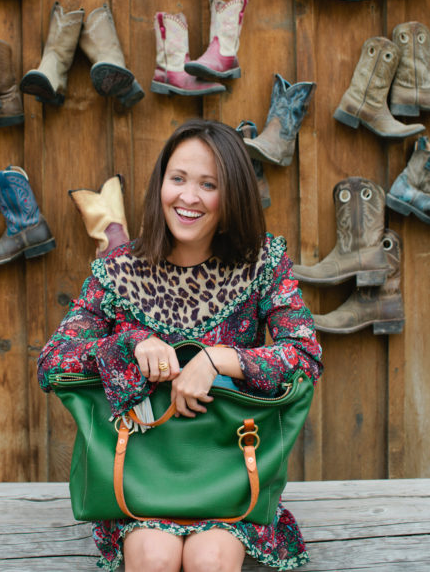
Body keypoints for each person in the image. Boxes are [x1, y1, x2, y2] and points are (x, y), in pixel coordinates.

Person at [38, 119, 323, 572]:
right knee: (154, 554)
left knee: (211, 557)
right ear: (160, 185)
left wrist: (218, 359)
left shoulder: (262, 263)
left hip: (230, 468)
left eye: (208, 184)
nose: (188, 197)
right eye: (178, 179)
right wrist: (128, 344)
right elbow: (53, 362)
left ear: (231, 196)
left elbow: (304, 354)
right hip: (139, 475)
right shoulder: (118, 270)